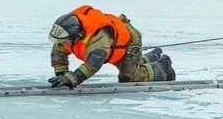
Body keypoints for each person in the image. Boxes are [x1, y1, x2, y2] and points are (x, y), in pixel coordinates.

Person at [47, 5, 175, 88]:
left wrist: (71, 78)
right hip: (112, 47)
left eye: (64, 41)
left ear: (77, 35)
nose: (62, 43)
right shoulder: (66, 37)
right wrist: (61, 75)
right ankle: (151, 56)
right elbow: (58, 54)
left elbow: (92, 64)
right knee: (129, 64)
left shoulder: (98, 39)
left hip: (127, 43)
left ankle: (163, 66)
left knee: (129, 79)